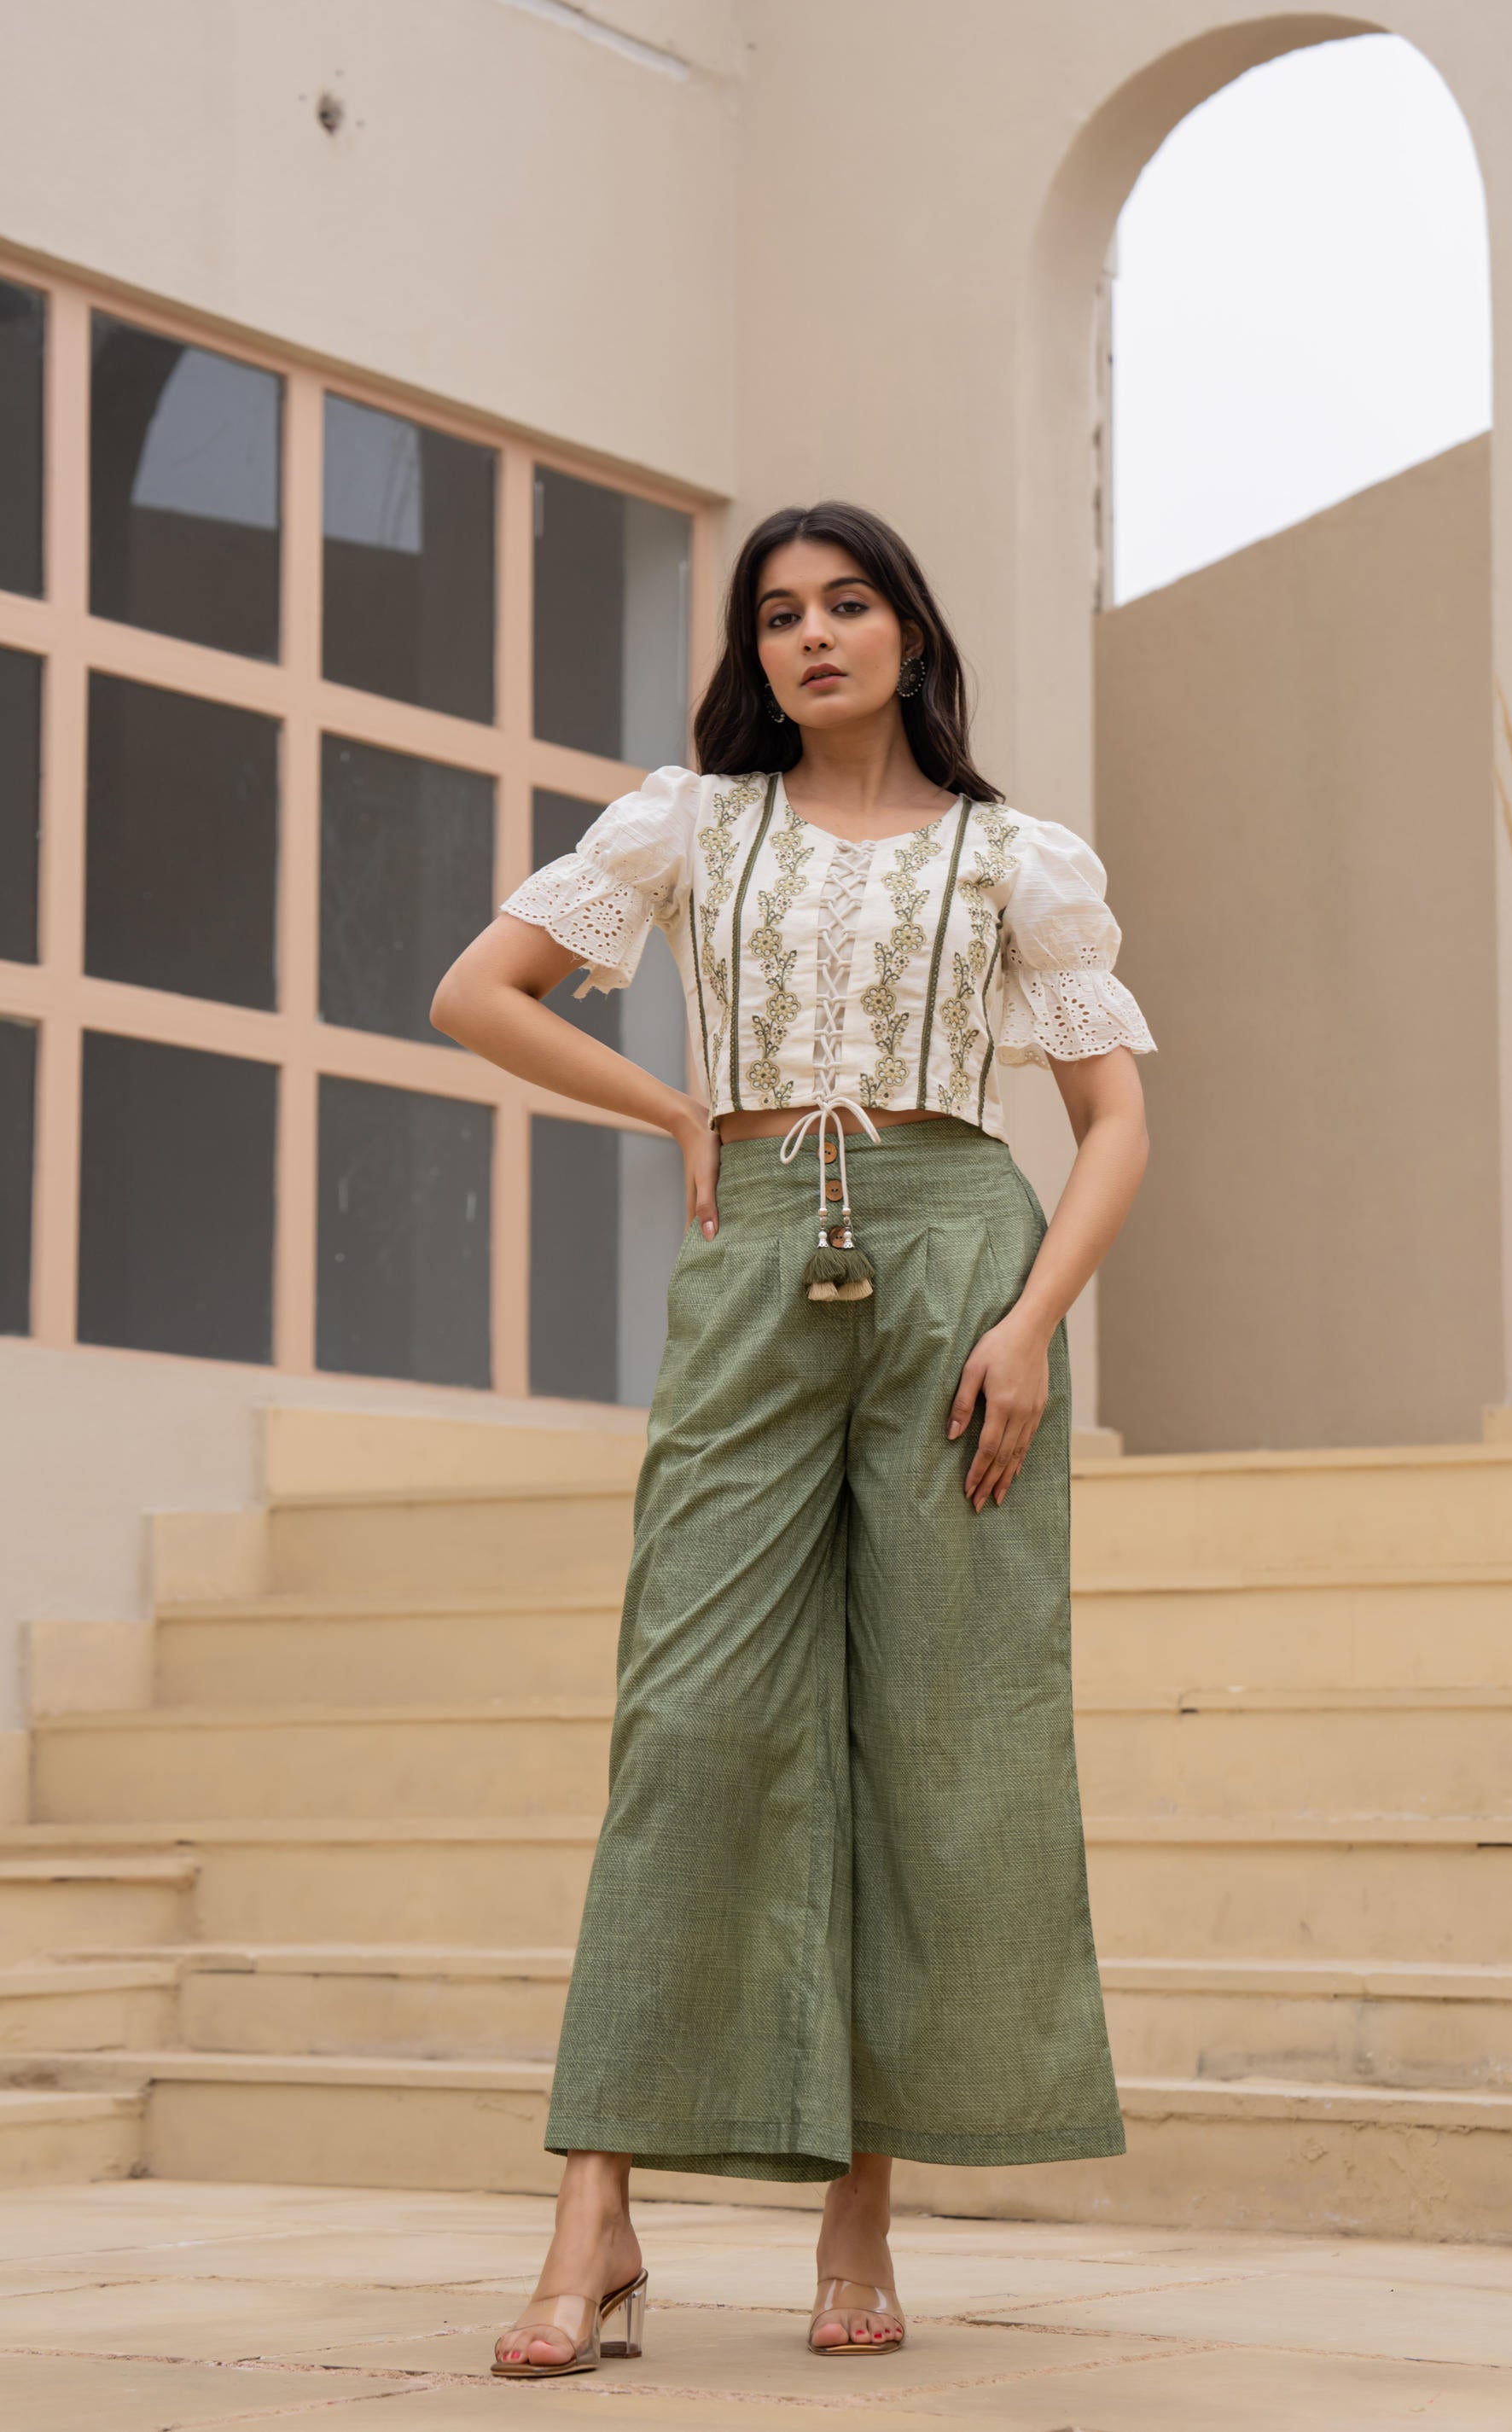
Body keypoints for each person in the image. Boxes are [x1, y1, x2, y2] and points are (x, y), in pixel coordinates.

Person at [431, 499, 1155, 2382]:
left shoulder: (1014, 857)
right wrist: (677, 1113)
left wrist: (1026, 1326)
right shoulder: (688, 820)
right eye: (776, 615)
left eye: (845, 606)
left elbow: (1114, 1125)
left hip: (958, 1266)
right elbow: (476, 994)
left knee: (933, 1728)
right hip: (762, 1254)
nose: (810, 639)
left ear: (908, 632)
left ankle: (860, 2210)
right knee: (685, 1720)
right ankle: (593, 2224)